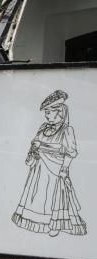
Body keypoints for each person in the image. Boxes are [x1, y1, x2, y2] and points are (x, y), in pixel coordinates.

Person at [12, 89, 87, 237]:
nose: (47, 116)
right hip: (39, 169)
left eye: (49, 112)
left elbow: (70, 152)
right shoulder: (43, 128)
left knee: (54, 197)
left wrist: (65, 168)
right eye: (46, 112)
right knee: (37, 195)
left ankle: (55, 224)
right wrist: (34, 149)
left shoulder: (67, 130)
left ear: (60, 112)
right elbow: (35, 142)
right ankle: (38, 222)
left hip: (55, 169)